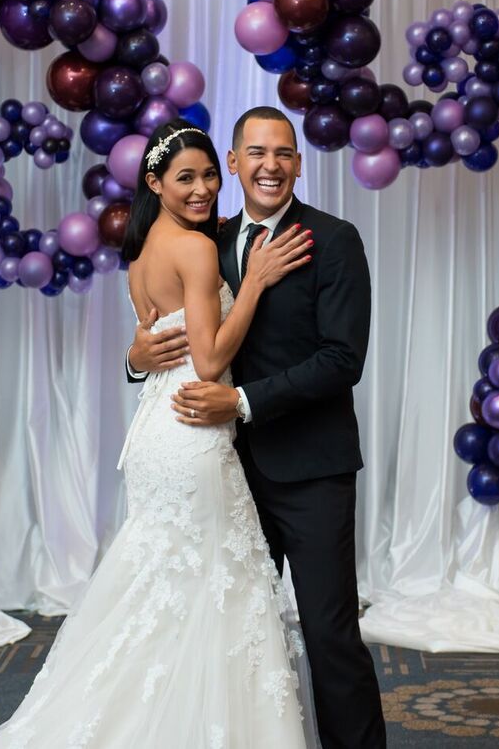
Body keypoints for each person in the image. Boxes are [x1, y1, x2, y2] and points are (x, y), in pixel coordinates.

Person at [0, 119, 317, 748]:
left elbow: (157, 346)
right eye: (186, 177)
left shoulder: (142, 252)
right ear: (154, 182)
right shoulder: (196, 248)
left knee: (171, 586)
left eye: (211, 174)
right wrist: (257, 284)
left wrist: (137, 356)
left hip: (160, 428)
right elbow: (210, 363)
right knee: (209, 586)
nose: (204, 188)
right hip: (193, 426)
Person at [129, 107, 386, 749]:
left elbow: (341, 361)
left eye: (285, 153)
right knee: (227, 626)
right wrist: (135, 362)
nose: (271, 165)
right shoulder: (203, 240)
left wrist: (242, 401)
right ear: (236, 164)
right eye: (256, 153)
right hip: (224, 467)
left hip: (311, 467)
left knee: (329, 634)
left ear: (297, 164)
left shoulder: (333, 239)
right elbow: (171, 332)